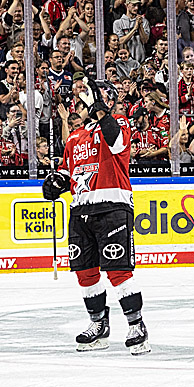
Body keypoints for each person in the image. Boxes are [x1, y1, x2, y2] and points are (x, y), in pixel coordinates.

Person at [41, 79, 150, 355]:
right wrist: (55, 183)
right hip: (80, 210)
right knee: (84, 271)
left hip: (112, 208)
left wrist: (101, 110)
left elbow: (116, 143)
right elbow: (69, 172)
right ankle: (98, 324)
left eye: (90, 98)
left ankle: (136, 325)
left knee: (118, 271)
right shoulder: (75, 137)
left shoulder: (119, 123)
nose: (82, 103)